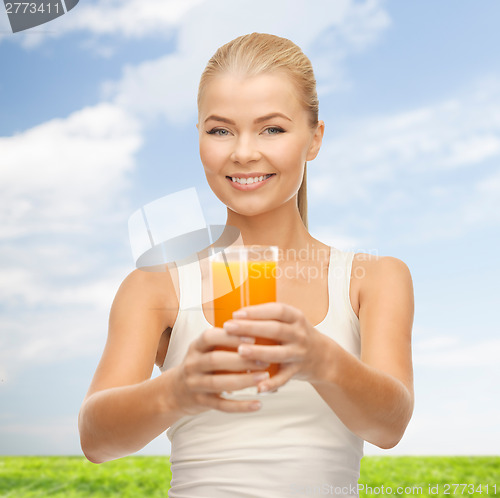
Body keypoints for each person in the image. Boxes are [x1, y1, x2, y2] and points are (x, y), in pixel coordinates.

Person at [78, 33, 414, 497]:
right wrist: (175, 391)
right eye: (220, 130)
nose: (243, 152)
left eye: (272, 128)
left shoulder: (372, 278)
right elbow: (96, 439)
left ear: (314, 139)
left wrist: (321, 359)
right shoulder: (157, 286)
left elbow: (389, 426)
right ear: (199, 137)